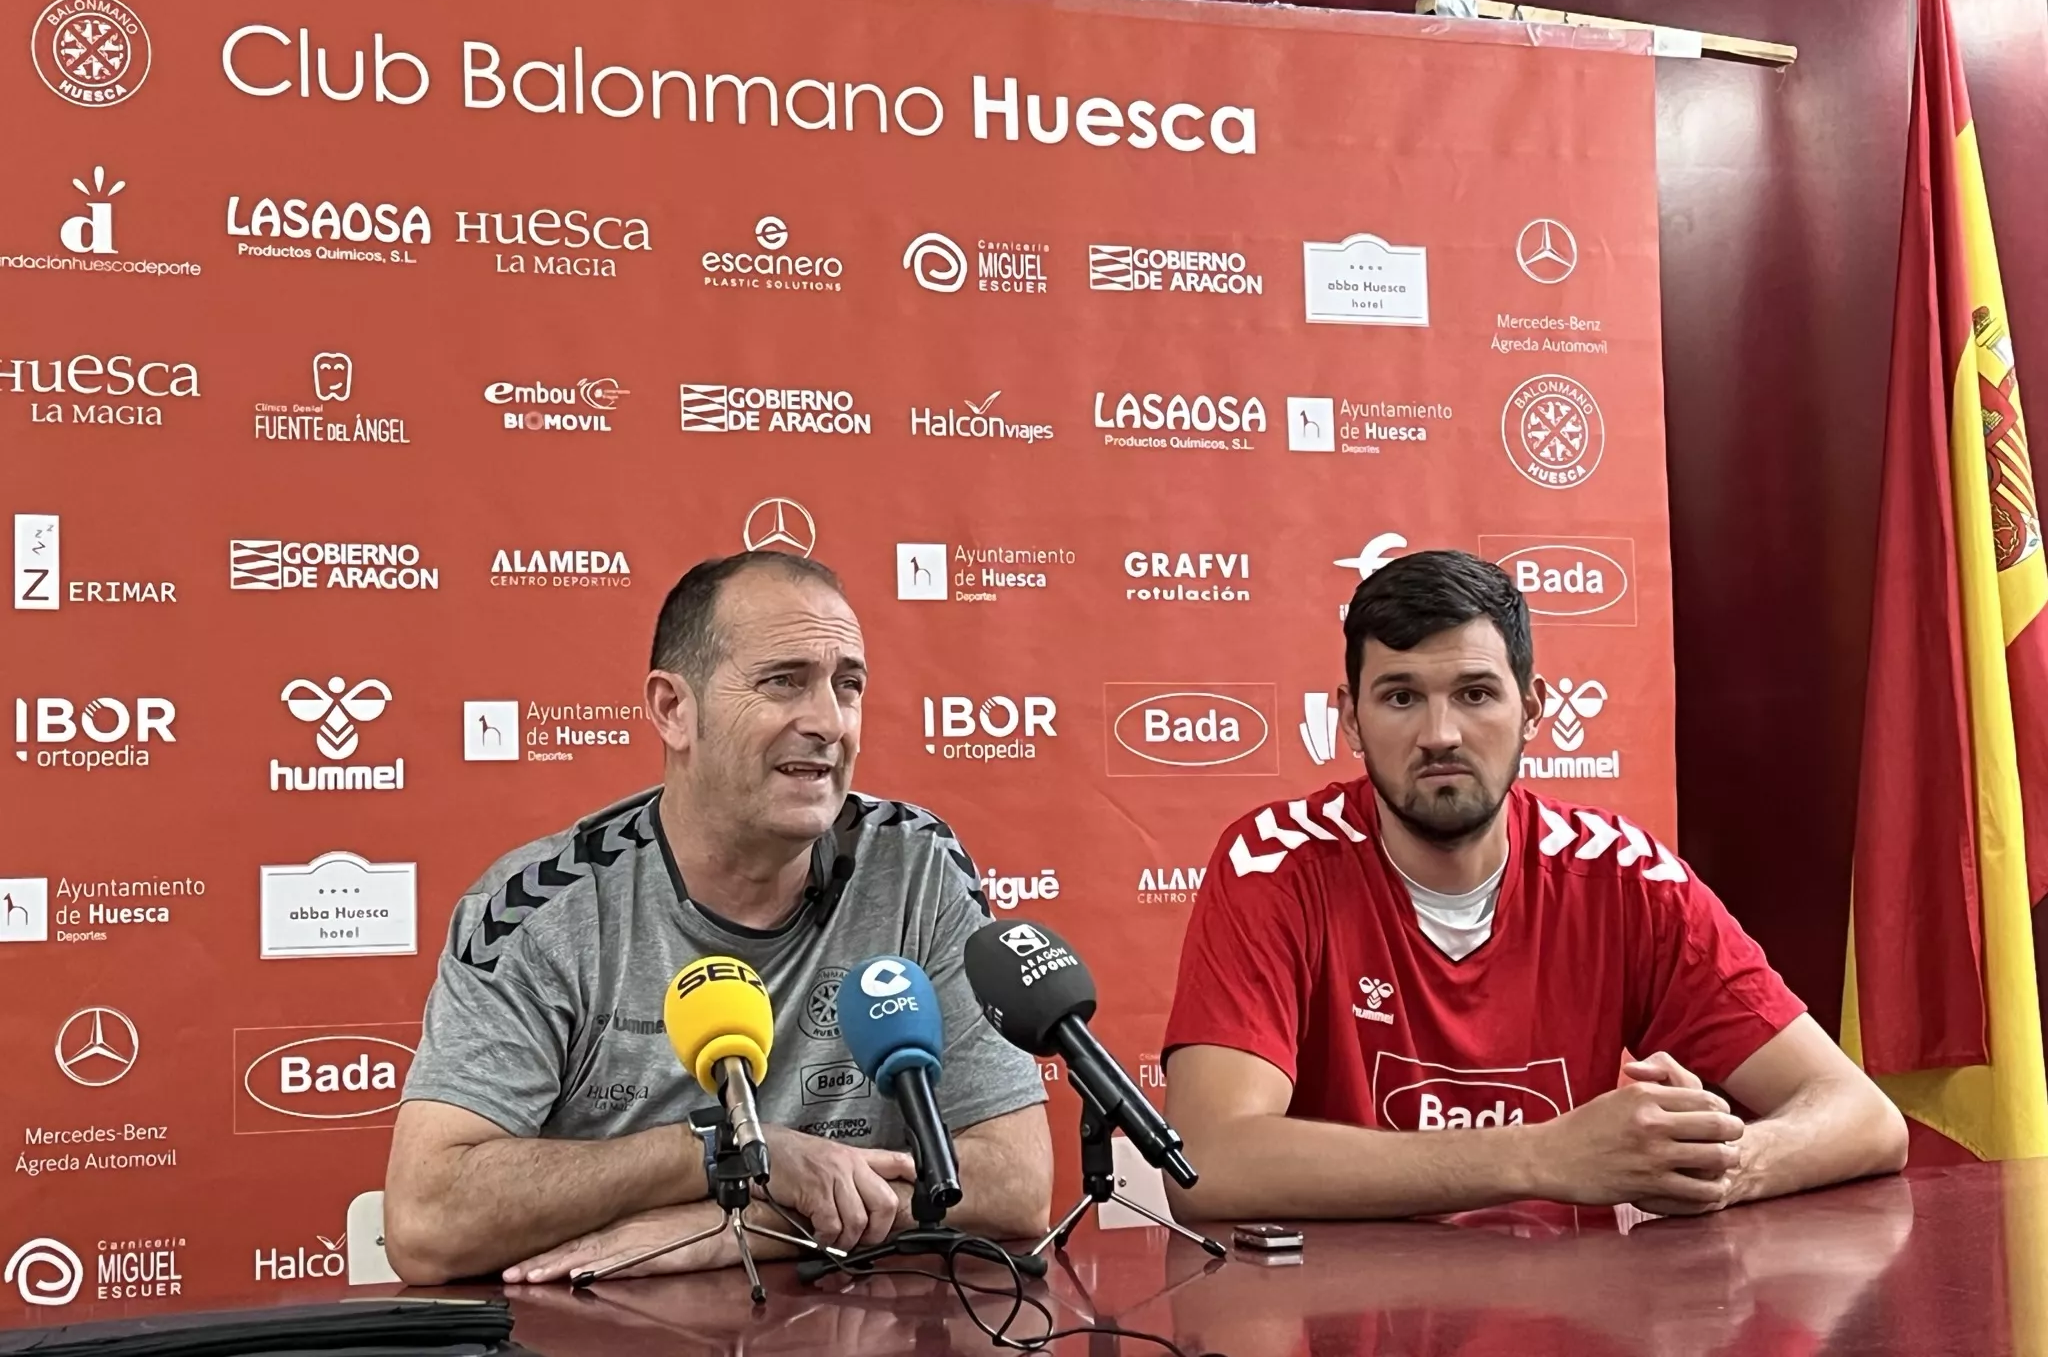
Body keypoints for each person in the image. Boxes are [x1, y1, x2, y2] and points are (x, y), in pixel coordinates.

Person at [1162, 549, 1906, 1220]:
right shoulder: (1274, 864)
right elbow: (1210, 1163)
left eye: (1476, 694)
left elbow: (1862, 1117)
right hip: (1347, 1324)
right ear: (1349, 719)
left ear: (1534, 710)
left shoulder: (1622, 875)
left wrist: (1717, 1167)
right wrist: (1543, 1156)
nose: (1441, 734)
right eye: (1400, 697)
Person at [383, 552, 1052, 1284]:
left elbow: (1015, 1184)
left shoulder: (912, 865)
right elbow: (427, 1222)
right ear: (674, 709)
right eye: (783, 682)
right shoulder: (540, 907)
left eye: (848, 685)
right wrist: (711, 1151)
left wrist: (737, 1222)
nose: (829, 722)